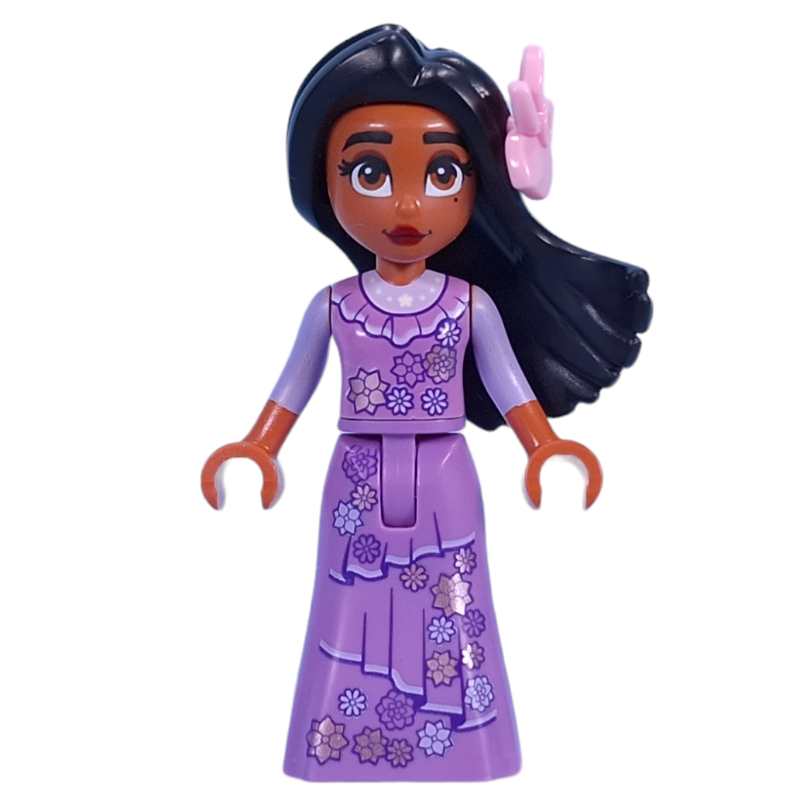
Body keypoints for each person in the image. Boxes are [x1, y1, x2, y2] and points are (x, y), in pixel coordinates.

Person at [202, 25, 651, 781]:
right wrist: (258, 445)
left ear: (479, 186)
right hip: (356, 472)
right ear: (324, 184)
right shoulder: (334, 305)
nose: (408, 203)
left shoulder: (468, 305)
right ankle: (340, 745)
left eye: (442, 172)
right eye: (370, 171)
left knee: (454, 599)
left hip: (445, 472)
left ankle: (465, 745)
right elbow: (293, 384)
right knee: (348, 602)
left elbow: (507, 382)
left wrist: (544, 444)